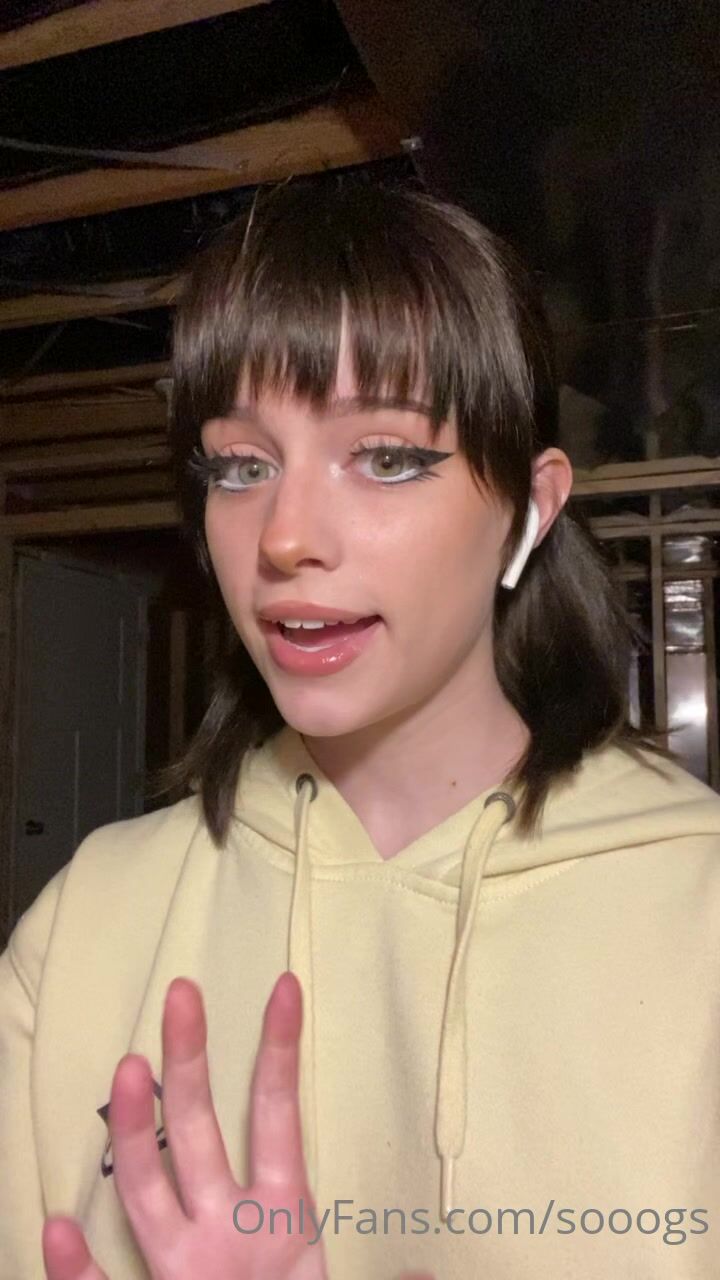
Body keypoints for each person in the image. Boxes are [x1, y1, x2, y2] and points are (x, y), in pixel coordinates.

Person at [1, 179, 719, 1280]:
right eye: (241, 467)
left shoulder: (698, 902)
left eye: (386, 457)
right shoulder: (86, 924)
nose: (284, 536)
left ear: (529, 512)